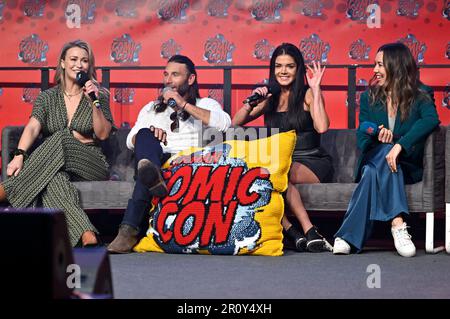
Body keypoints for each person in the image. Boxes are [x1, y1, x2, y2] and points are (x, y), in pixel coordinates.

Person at [107, 55, 231, 254]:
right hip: (158, 159)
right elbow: (130, 141)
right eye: (166, 74)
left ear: (190, 79)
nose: (168, 80)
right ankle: (152, 174)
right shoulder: (151, 108)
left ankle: (128, 231)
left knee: (145, 172)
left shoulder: (205, 103)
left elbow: (224, 124)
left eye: (175, 75)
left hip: (190, 161)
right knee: (144, 136)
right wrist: (150, 134)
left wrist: (183, 104)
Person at [0, 40, 115, 247]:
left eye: (84, 60)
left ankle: (7, 190)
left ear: (89, 66)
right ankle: (87, 234)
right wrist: (19, 154)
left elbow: (103, 134)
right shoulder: (47, 97)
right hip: (58, 164)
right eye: (73, 59)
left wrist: (93, 102)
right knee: (56, 180)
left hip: (91, 162)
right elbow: (33, 127)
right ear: (62, 63)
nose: (79, 64)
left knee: (61, 137)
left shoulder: (98, 95)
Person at [333, 43, 440, 257]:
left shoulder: (421, 94)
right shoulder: (369, 97)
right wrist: (378, 136)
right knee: (381, 155)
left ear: (396, 66)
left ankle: (346, 237)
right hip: (374, 156)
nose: (374, 70)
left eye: (380, 64)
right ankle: (398, 223)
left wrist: (400, 144)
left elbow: (431, 120)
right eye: (375, 64)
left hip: (405, 164)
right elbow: (362, 134)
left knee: (373, 173)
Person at [232, 43, 333, 252]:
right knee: (260, 176)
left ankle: (308, 229)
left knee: (277, 174)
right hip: (281, 162)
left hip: (311, 161)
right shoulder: (270, 97)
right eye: (278, 66)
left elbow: (322, 127)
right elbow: (236, 122)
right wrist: (252, 101)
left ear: (298, 69)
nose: (283, 71)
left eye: (289, 66)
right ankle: (290, 230)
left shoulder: (307, 94)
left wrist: (316, 89)